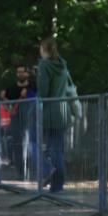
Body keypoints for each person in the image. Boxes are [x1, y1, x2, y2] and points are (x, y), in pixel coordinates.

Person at [36, 37, 72, 193]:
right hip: (64, 111)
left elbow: (43, 92)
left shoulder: (44, 65)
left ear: (44, 49)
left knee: (36, 144)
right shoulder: (63, 64)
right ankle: (58, 184)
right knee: (57, 149)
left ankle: (50, 172)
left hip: (50, 112)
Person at [0, 64, 34, 174]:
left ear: (27, 73)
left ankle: (29, 169)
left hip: (30, 121)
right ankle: (20, 171)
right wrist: (4, 100)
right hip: (15, 121)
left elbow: (38, 100)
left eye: (22, 71)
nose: (20, 74)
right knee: (18, 145)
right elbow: (4, 105)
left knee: (30, 145)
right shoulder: (11, 88)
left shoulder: (33, 87)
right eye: (18, 72)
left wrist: (28, 94)